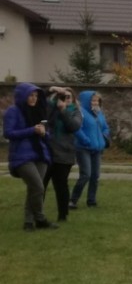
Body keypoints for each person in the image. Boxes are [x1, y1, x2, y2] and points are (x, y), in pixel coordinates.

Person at [4, 82, 58, 230]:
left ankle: (29, 222)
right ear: (23, 96)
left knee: (33, 189)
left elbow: (46, 134)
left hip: (40, 154)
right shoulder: (13, 111)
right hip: (21, 156)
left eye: (36, 95)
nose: (34, 98)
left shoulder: (39, 111)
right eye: (30, 95)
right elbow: (8, 133)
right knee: (38, 187)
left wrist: (44, 133)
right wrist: (32, 130)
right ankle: (40, 218)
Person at [42, 87, 82, 222]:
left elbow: (74, 127)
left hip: (64, 154)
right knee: (40, 184)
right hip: (47, 152)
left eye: (68, 97)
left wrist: (63, 110)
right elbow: (39, 101)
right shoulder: (50, 108)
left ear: (73, 99)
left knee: (61, 185)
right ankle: (37, 213)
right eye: (63, 96)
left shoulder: (76, 112)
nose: (66, 99)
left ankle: (63, 215)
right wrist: (50, 90)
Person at [70, 90, 111, 209]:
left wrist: (104, 136)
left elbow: (105, 127)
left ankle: (91, 200)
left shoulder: (99, 113)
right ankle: (73, 200)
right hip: (83, 148)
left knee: (95, 176)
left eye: (97, 100)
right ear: (86, 101)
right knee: (86, 175)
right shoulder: (80, 113)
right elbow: (77, 128)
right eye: (93, 100)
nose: (95, 103)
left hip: (97, 148)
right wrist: (85, 140)